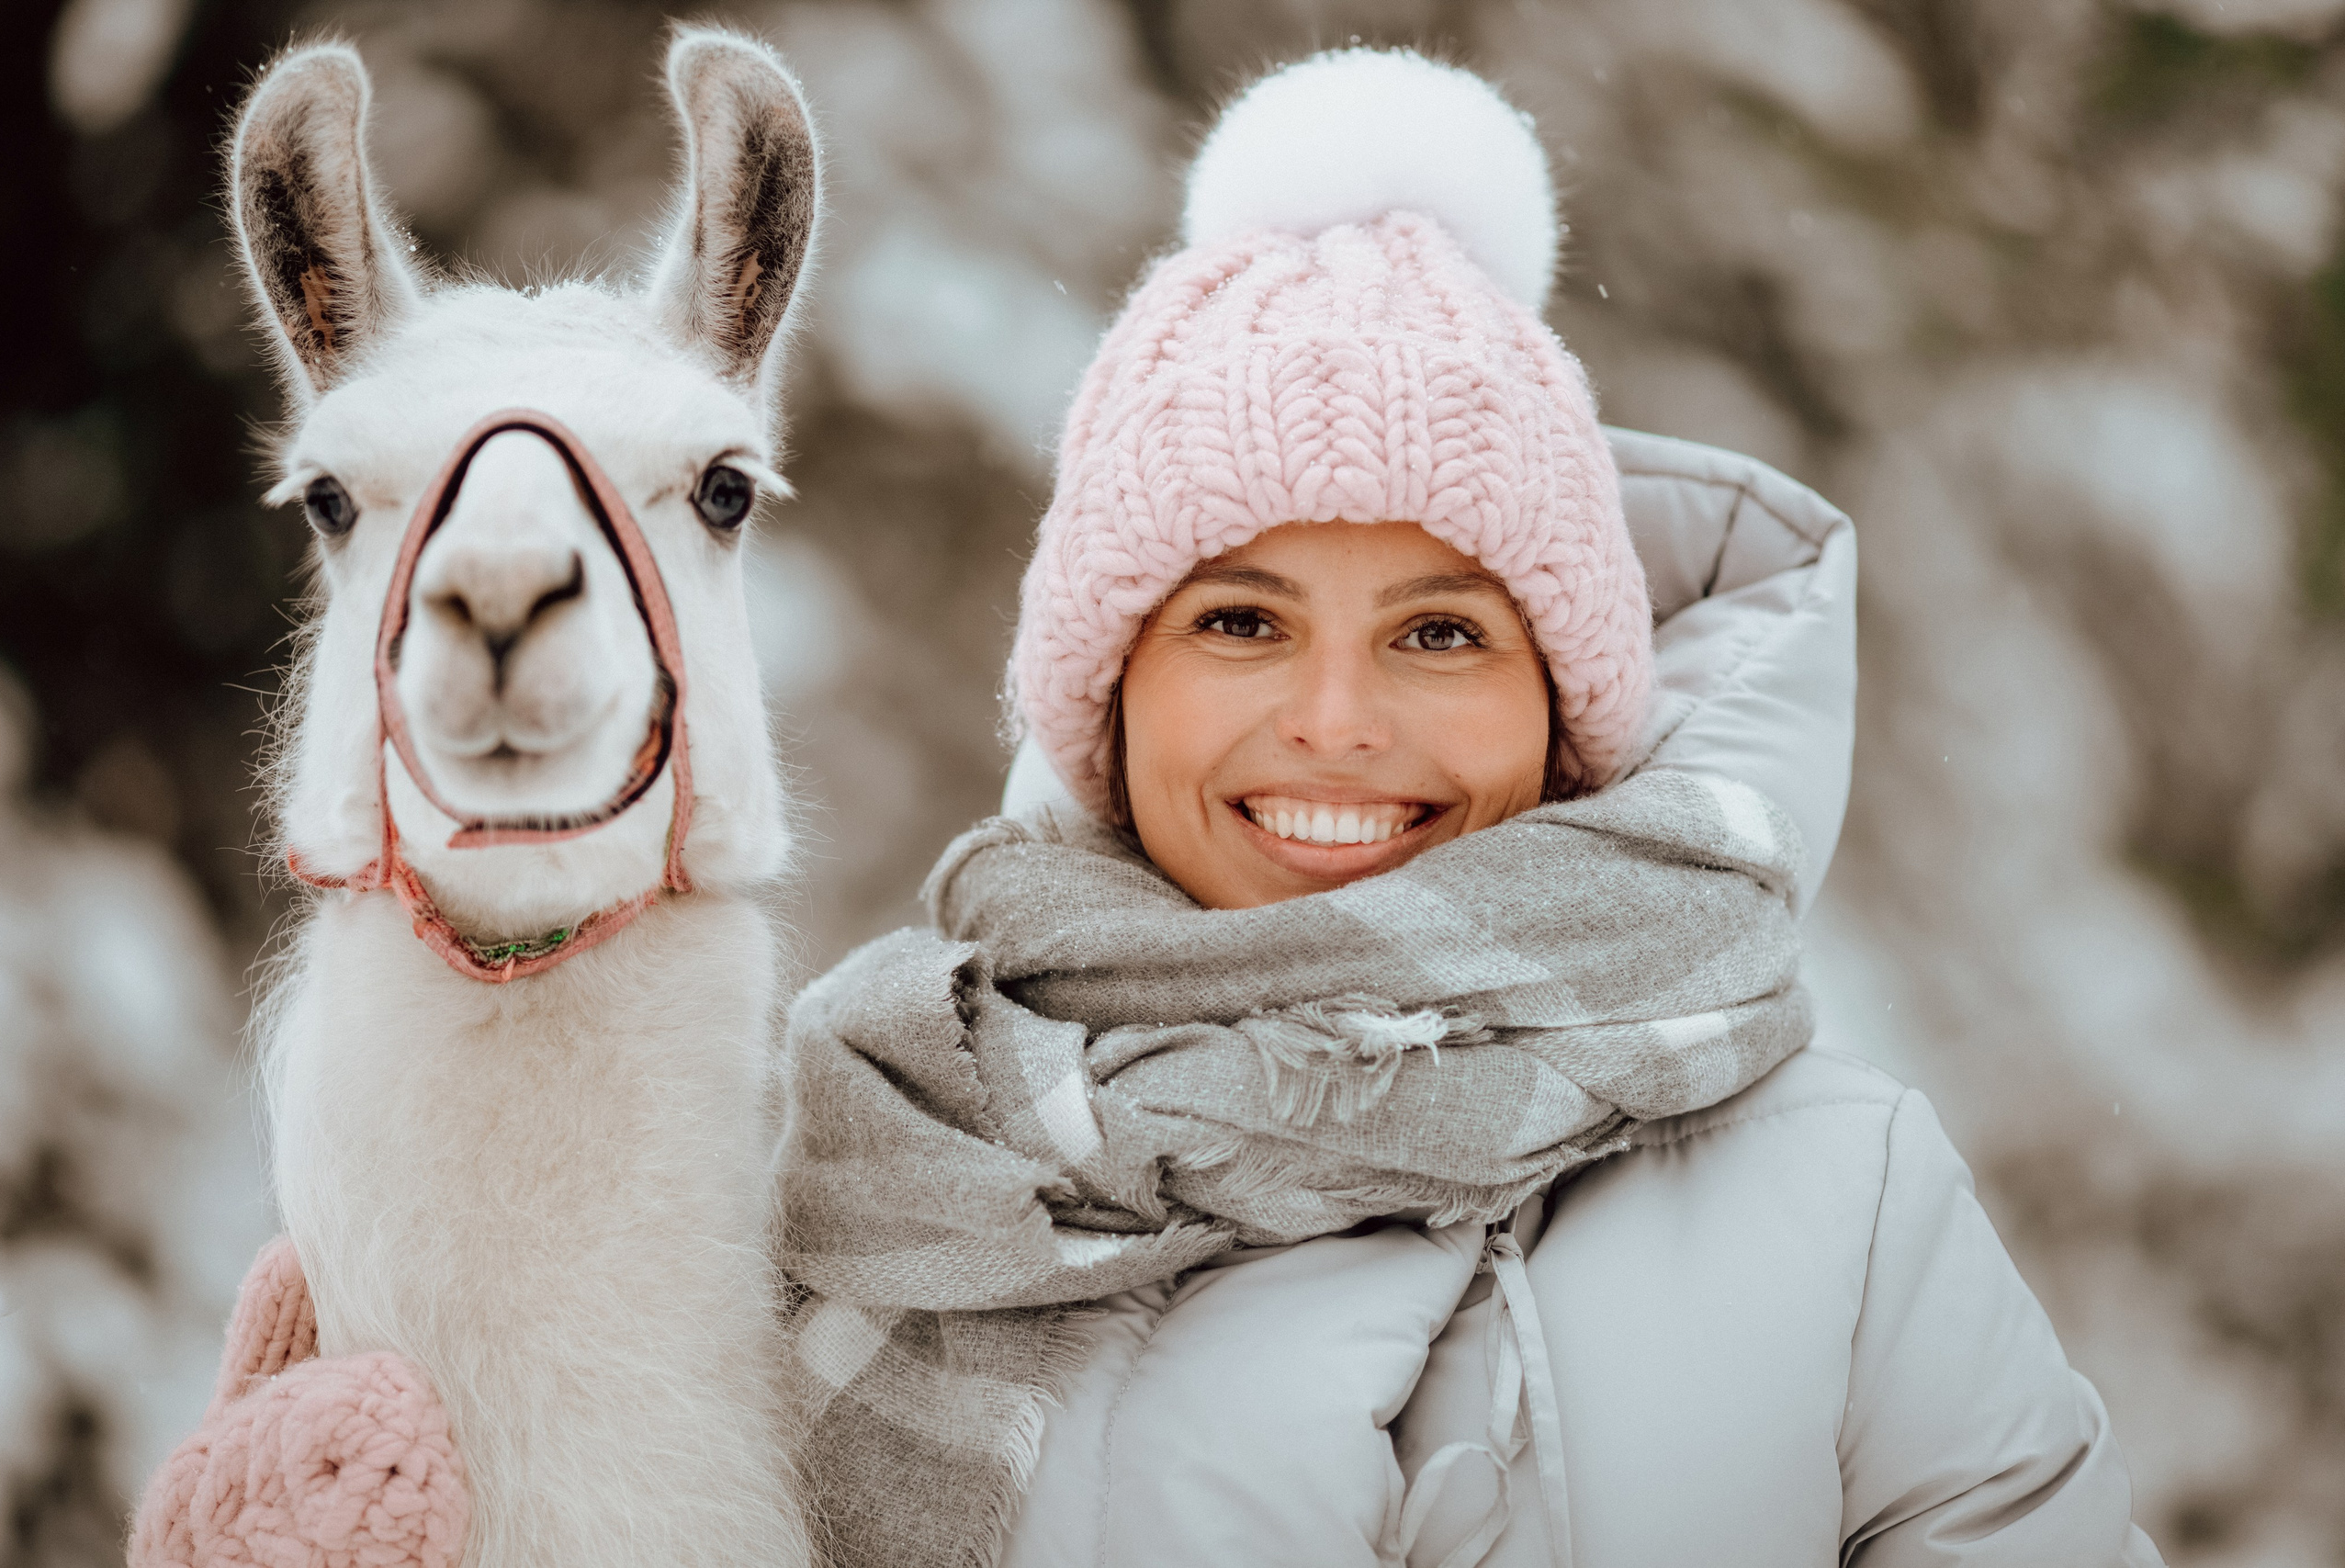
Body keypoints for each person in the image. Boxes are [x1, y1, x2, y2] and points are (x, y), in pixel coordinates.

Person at [777, 48, 2166, 1568]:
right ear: (1111, 698)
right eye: (1240, 622)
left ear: (1562, 715)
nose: (1337, 721)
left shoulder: (1843, 1198)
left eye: (1440, 633)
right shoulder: (869, 1152)